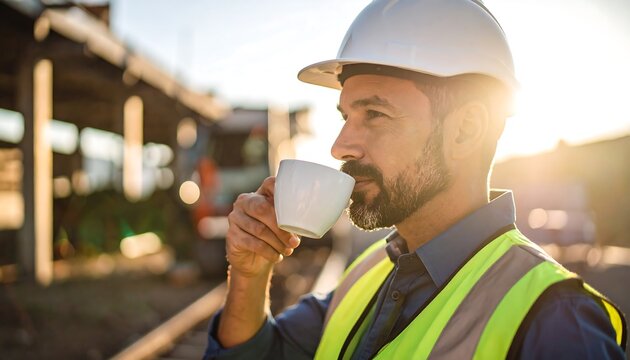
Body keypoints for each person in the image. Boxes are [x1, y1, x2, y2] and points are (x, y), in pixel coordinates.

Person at [204, 0, 627, 359]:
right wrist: (250, 274)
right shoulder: (368, 272)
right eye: (346, 117)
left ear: (464, 131)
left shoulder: (558, 323)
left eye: (375, 115)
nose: (340, 147)